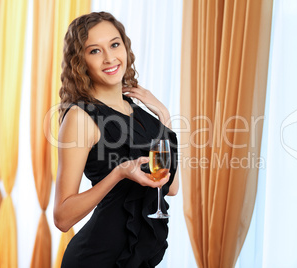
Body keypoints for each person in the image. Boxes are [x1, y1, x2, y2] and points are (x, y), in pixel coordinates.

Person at [53, 11, 179, 267]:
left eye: (114, 44)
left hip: (136, 258)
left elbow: (172, 187)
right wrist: (118, 173)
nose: (110, 58)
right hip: (96, 258)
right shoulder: (80, 117)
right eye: (95, 51)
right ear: (81, 61)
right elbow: (62, 218)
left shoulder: (142, 113)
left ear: (125, 47)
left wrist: (164, 115)